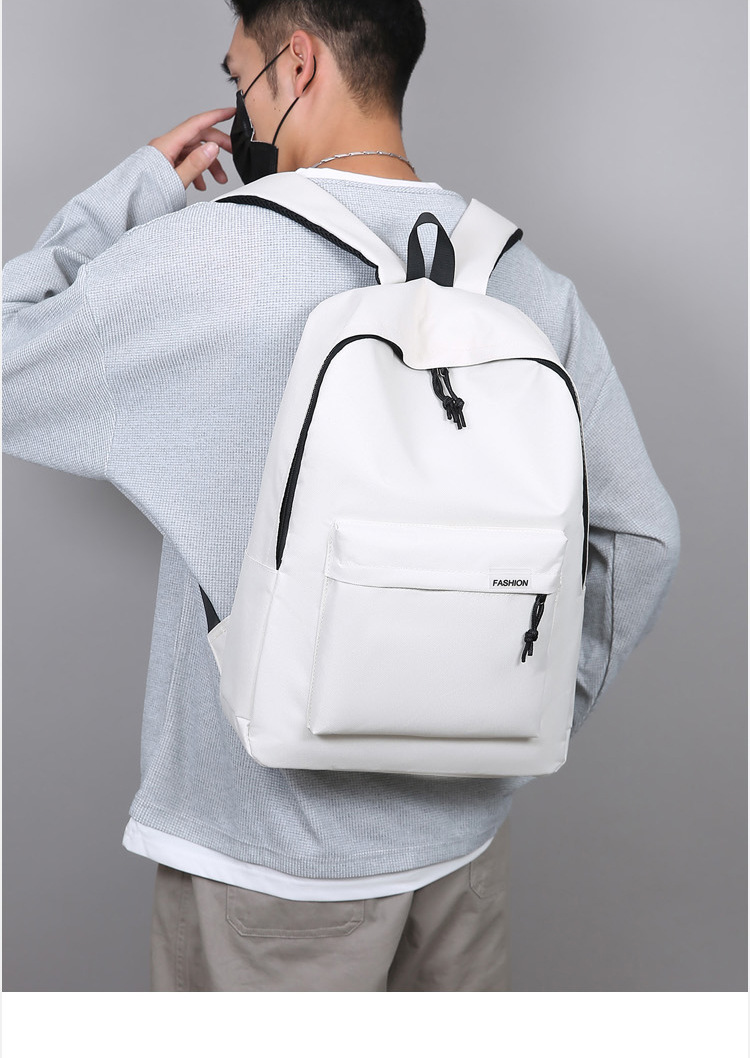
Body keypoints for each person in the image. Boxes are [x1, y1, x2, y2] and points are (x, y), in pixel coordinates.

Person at [2, 0, 680, 992]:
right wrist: (515, 711)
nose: (238, 106)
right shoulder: (526, 282)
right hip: (462, 853)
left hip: (265, 863)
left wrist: (137, 186)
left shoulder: (208, 259)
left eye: (239, 77)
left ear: (298, 63)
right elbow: (641, 537)